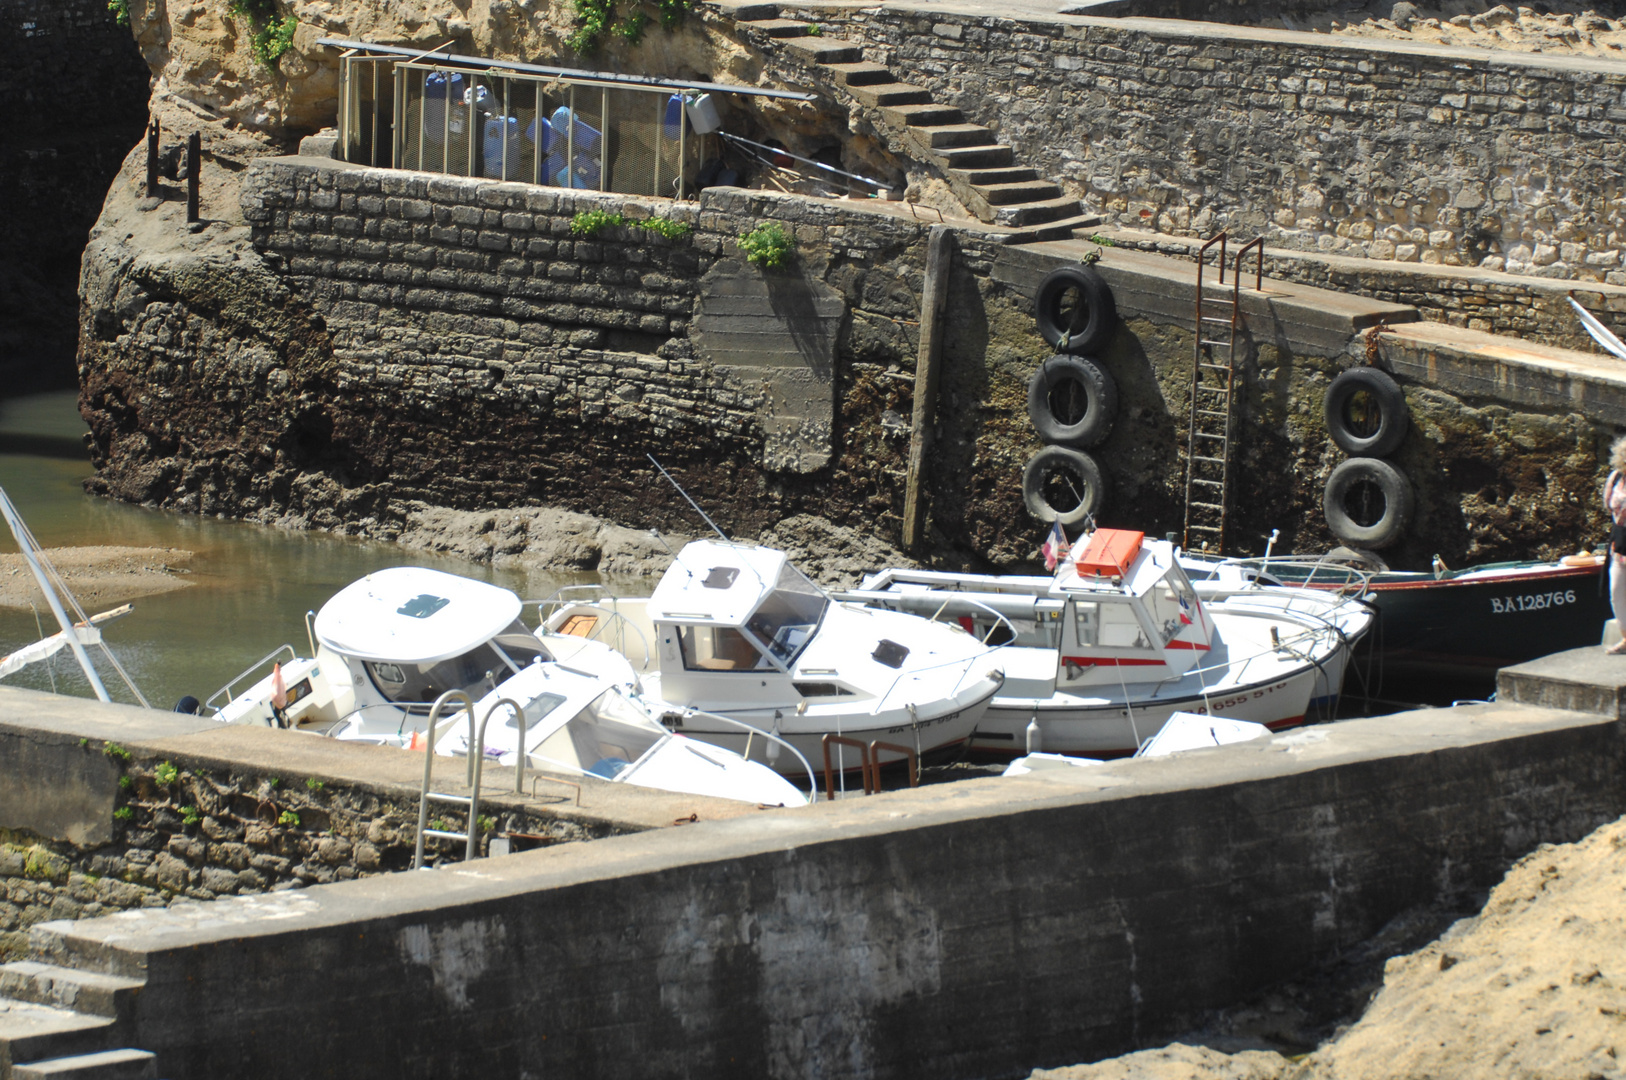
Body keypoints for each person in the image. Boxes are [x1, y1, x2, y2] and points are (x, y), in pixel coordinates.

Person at [1605, 434, 1626, 653]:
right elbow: (1608, 504)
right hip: (1620, 542)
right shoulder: (1615, 478)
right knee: (1616, 592)